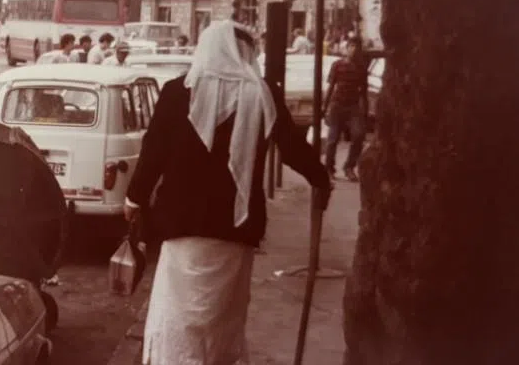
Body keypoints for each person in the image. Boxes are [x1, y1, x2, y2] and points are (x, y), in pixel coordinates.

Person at [124, 20, 331, 365]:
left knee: (180, 316)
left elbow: (153, 153)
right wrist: (320, 178)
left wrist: (134, 198)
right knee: (221, 318)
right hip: (236, 227)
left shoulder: (178, 92)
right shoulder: (262, 93)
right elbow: (293, 147)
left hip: (183, 227)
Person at [323, 37, 368, 182]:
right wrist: (325, 107)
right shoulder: (337, 65)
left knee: (358, 135)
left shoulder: (361, 68)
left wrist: (364, 112)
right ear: (347, 48)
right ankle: (329, 168)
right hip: (337, 104)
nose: (353, 50)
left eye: (356, 47)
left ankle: (349, 166)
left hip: (353, 106)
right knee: (332, 139)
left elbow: (364, 92)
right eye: (351, 46)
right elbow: (330, 87)